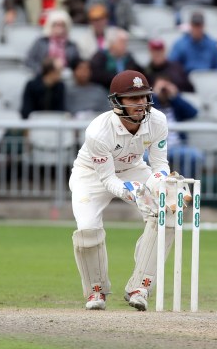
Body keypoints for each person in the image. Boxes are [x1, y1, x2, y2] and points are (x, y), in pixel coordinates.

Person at [69, 69, 177, 311]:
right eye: (133, 98)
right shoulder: (98, 131)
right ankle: (96, 290)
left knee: (167, 212)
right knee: (87, 230)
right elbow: (107, 179)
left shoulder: (157, 120)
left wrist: (160, 184)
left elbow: (160, 165)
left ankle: (140, 287)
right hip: (91, 174)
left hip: (133, 169)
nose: (140, 103)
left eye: (143, 96)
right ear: (117, 102)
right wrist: (131, 191)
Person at [151, 76, 203, 177]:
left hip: (176, 147)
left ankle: (184, 185)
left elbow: (193, 113)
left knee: (196, 156)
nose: (164, 90)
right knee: (143, 158)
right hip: (153, 148)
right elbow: (145, 111)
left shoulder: (175, 105)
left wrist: (175, 96)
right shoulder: (152, 105)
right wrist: (155, 96)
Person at [25, 10, 81, 74]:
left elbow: (77, 64)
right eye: (55, 25)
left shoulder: (72, 45)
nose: (59, 28)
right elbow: (29, 60)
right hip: (43, 74)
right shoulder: (41, 42)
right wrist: (41, 70)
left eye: (62, 25)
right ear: (50, 26)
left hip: (64, 75)